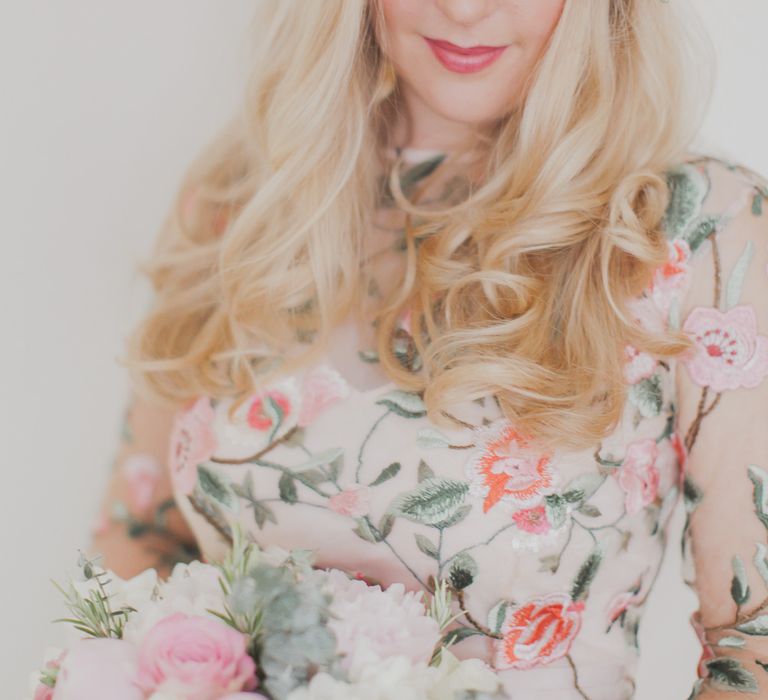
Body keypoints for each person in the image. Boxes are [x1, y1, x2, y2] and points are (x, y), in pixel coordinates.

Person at [87, 1, 768, 698]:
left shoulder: (696, 229)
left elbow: (755, 651)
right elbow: (134, 552)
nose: (466, 8)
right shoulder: (241, 204)